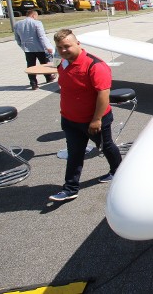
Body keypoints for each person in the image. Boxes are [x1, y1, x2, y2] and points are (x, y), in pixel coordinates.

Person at [49, 29, 122, 202]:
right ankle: (70, 188)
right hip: (70, 120)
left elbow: (103, 94)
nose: (63, 50)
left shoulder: (95, 65)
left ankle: (118, 173)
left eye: (67, 46)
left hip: (94, 121)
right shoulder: (62, 62)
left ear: (78, 44)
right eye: (59, 47)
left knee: (106, 147)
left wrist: (96, 120)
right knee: (74, 154)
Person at [13, 9, 56, 90]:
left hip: (27, 49)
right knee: (44, 64)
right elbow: (42, 36)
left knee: (30, 66)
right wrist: (48, 47)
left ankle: (33, 83)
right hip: (39, 48)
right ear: (33, 15)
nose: (37, 18)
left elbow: (17, 38)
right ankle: (48, 77)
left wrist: (22, 46)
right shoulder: (37, 23)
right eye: (36, 16)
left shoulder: (18, 24)